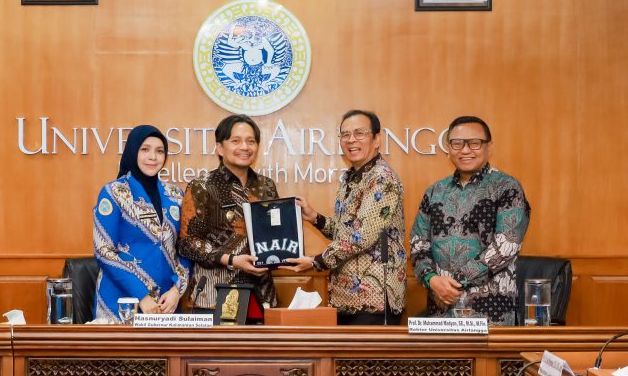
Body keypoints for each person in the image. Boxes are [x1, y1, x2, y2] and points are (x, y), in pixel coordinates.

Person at [285, 110, 406, 325]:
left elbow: (361, 236)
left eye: (359, 133)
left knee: (368, 360)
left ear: (377, 139)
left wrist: (316, 261)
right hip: (347, 298)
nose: (351, 140)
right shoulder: (351, 177)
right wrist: (316, 218)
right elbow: (348, 230)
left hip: (374, 299)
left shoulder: (382, 179)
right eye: (345, 134)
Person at [410, 115, 530, 325]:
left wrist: (454, 283)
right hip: (441, 308)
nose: (465, 150)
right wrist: (432, 279)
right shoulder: (434, 191)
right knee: (443, 359)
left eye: (474, 143)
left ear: (488, 146)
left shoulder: (507, 188)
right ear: (448, 148)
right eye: (457, 143)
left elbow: (506, 246)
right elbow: (418, 243)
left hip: (491, 311)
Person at [178, 115, 279, 312]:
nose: (245, 147)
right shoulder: (202, 186)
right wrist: (231, 259)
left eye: (251, 141)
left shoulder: (266, 186)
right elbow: (187, 243)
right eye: (236, 141)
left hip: (260, 295)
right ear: (219, 148)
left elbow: (273, 234)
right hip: (213, 296)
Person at [92, 125, 190, 320]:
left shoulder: (175, 195)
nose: (153, 157)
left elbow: (185, 248)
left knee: (165, 352)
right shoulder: (114, 192)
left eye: (159, 151)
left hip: (165, 303)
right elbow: (103, 250)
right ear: (133, 151)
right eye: (145, 149)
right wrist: (142, 295)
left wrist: (177, 290)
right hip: (122, 301)